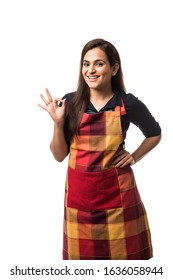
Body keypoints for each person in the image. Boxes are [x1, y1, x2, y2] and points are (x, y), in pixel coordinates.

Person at [38, 38, 161, 260]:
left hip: (119, 197)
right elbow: (58, 156)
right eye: (86, 64)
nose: (91, 70)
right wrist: (57, 123)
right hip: (79, 199)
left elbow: (154, 133)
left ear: (114, 68)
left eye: (99, 64)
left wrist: (134, 157)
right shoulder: (70, 102)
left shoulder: (127, 103)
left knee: (127, 262)